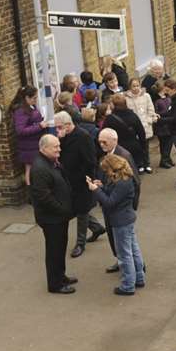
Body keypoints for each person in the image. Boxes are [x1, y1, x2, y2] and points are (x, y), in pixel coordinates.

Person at [88, 153, 145, 295]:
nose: (106, 174)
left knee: (124, 254)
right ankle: (139, 278)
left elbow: (109, 202)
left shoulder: (121, 183)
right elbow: (113, 194)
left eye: (106, 171)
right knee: (133, 250)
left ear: (113, 169)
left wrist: (95, 190)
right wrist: (101, 187)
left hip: (120, 222)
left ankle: (128, 285)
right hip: (127, 219)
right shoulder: (124, 179)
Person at [29, 133, 77, 294]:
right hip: (52, 219)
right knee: (54, 251)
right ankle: (55, 284)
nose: (59, 149)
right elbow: (43, 197)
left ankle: (60, 276)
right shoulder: (40, 168)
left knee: (60, 247)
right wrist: (62, 209)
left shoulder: (50, 162)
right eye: (55, 147)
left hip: (58, 217)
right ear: (44, 148)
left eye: (59, 145)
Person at [54, 110, 104, 257]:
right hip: (68, 180)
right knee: (76, 209)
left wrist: (88, 179)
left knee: (81, 210)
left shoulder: (83, 137)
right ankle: (97, 228)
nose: (57, 130)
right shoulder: (63, 137)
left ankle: (80, 243)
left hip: (82, 180)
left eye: (59, 127)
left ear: (68, 125)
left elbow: (91, 161)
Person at [96, 128, 142, 275]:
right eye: (100, 142)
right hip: (112, 204)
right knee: (114, 236)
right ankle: (123, 261)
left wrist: (131, 205)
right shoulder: (107, 154)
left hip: (119, 207)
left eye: (105, 142)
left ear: (114, 140)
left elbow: (135, 182)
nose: (102, 145)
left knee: (125, 243)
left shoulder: (123, 156)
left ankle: (130, 271)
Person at [104, 94, 150, 171]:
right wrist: (143, 146)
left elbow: (105, 133)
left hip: (118, 148)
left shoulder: (110, 119)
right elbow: (141, 132)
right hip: (134, 146)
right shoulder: (133, 115)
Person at [11, 86, 45, 185]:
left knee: (33, 169)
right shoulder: (21, 111)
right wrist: (40, 126)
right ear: (27, 98)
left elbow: (32, 121)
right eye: (34, 98)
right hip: (28, 146)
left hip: (34, 143)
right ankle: (31, 192)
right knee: (29, 169)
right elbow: (20, 130)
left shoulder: (30, 106)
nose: (36, 100)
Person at [123, 77, 158, 171]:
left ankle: (147, 163)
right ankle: (139, 164)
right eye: (133, 86)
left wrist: (149, 120)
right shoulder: (125, 98)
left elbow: (151, 109)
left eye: (137, 85)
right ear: (129, 87)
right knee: (136, 147)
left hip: (145, 125)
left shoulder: (146, 96)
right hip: (133, 127)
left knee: (145, 146)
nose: (136, 88)